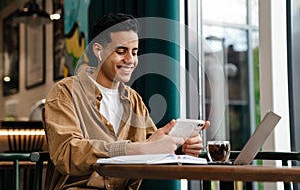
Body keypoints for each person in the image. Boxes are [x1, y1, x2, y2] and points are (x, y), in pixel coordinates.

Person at [43, 13, 210, 190]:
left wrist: (181, 147)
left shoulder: (134, 99)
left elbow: (151, 144)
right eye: (121, 51)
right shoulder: (65, 92)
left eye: (134, 52)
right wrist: (135, 149)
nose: (130, 60)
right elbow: (67, 152)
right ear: (98, 50)